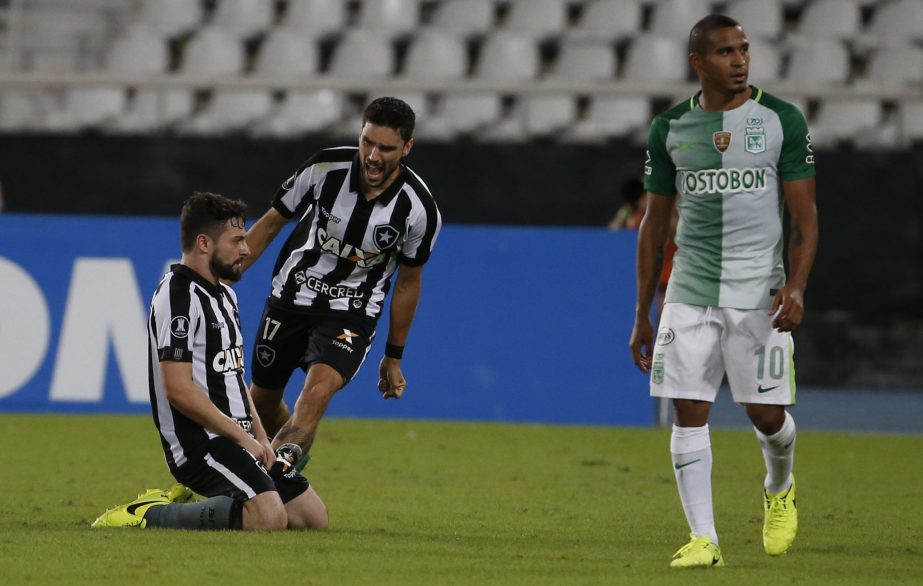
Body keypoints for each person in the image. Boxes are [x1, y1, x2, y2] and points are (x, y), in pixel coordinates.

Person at [628, 14, 818, 568]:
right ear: (698, 63)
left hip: (759, 291)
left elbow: (805, 219)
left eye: (743, 50)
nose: (739, 61)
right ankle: (704, 539)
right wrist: (642, 310)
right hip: (688, 289)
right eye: (725, 53)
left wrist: (799, 286)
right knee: (689, 410)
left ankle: (779, 488)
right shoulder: (669, 129)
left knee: (767, 419)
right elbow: (654, 225)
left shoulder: (781, 119)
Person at [92, 192, 328, 531]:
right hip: (201, 445)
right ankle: (146, 515)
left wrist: (261, 438)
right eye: (237, 241)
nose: (246, 250)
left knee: (312, 519)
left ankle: (236, 496)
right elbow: (178, 390)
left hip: (239, 439)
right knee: (269, 518)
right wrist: (244, 440)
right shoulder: (177, 297)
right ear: (204, 243)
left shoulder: (225, 294)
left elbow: (234, 376)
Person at [242, 97, 442, 467]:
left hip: (351, 312)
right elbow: (271, 223)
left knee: (317, 392)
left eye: (386, 148)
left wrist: (393, 356)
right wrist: (227, 274)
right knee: (262, 403)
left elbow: (408, 283)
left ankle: (278, 469)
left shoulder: (419, 210)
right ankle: (291, 470)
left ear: (407, 147)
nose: (373, 156)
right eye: (368, 142)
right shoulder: (324, 168)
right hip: (290, 298)